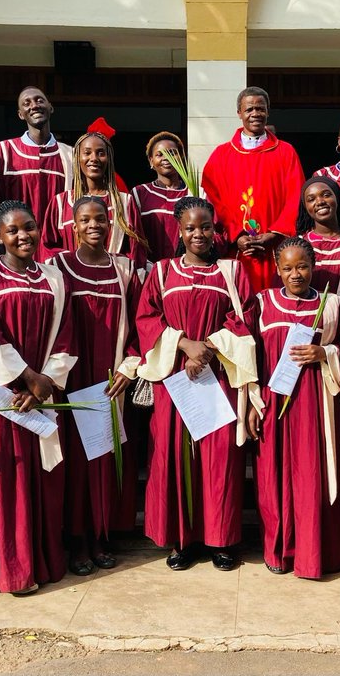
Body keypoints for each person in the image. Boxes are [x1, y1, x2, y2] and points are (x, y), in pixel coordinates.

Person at [134, 196, 258, 571]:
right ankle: (182, 540)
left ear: (214, 228)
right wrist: (184, 344)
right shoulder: (162, 272)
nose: (198, 233)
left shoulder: (232, 272)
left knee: (219, 459)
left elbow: (245, 317)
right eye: (190, 227)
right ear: (179, 230)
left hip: (217, 374)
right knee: (175, 457)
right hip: (175, 378)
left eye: (205, 226)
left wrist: (208, 346)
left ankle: (221, 541)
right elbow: (146, 318)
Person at [0, 200, 75, 595]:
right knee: (6, 479)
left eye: (29, 227)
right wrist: (24, 379)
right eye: (13, 230)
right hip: (0, 393)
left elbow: (65, 332)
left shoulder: (53, 277)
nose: (23, 235)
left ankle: (41, 561)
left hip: (42, 393)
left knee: (42, 478)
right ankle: (10, 570)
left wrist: (46, 382)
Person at [49, 196, 142, 575]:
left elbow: (141, 322)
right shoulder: (57, 266)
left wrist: (129, 365)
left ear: (112, 224)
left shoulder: (124, 269)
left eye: (100, 219)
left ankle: (102, 534)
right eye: (85, 219)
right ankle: (77, 539)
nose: (93, 225)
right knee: (75, 463)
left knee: (103, 459)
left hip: (109, 379)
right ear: (73, 225)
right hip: (71, 378)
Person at [247, 237, 340, 579]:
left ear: (314, 266)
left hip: (316, 406)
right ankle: (278, 549)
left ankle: (314, 553)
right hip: (273, 402)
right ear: (276, 269)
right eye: (287, 268)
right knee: (273, 478)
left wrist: (325, 353)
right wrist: (251, 402)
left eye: (302, 266)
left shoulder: (332, 306)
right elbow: (251, 356)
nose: (295, 274)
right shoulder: (263, 303)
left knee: (311, 479)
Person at [202, 87, 305, 292]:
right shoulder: (222, 155)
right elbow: (212, 200)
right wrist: (236, 234)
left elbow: (297, 195)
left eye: (260, 108)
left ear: (268, 111)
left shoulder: (286, 152)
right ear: (239, 113)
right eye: (249, 109)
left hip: (276, 248)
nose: (255, 114)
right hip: (236, 250)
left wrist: (275, 234)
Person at [42, 118, 147, 265]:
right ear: (78, 158)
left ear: (109, 158)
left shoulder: (124, 202)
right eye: (87, 153)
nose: (94, 158)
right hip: (71, 283)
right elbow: (47, 249)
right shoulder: (60, 203)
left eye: (100, 153)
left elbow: (136, 252)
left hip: (113, 283)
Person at [0, 86, 73, 229]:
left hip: (58, 244)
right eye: (27, 103)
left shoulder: (69, 155)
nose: (34, 106)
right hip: (18, 243)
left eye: (39, 100)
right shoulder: (5, 151)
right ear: (20, 114)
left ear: (51, 107)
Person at [132, 131, 202, 264]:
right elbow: (134, 238)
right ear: (151, 161)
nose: (166, 158)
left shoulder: (196, 193)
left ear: (181, 157)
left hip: (186, 271)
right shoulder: (139, 193)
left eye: (172, 153)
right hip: (150, 271)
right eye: (159, 154)